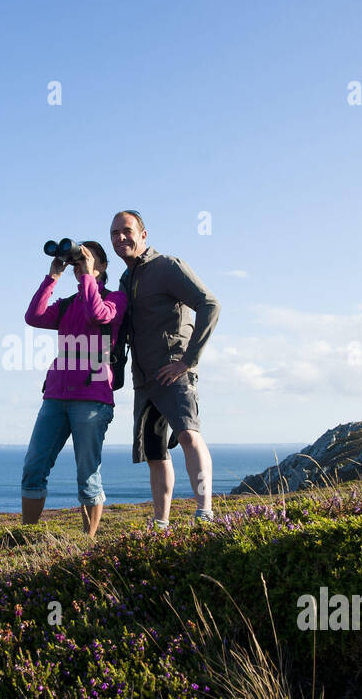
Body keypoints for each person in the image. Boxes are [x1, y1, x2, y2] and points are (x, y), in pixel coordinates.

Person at [110, 210, 220, 528]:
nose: (120, 238)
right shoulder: (126, 279)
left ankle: (205, 513)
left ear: (143, 234)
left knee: (188, 434)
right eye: (114, 233)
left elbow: (210, 304)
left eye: (126, 231)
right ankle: (161, 524)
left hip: (174, 373)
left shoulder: (168, 267)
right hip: (143, 379)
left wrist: (188, 360)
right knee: (155, 454)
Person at [20, 241, 127, 537]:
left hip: (92, 398)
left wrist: (88, 275)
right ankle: (28, 537)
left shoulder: (116, 299)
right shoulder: (68, 304)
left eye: (85, 261)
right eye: (77, 262)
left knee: (87, 475)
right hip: (55, 396)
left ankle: (87, 543)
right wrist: (53, 276)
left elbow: (97, 315)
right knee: (34, 468)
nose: (79, 266)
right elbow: (34, 316)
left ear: (102, 266)